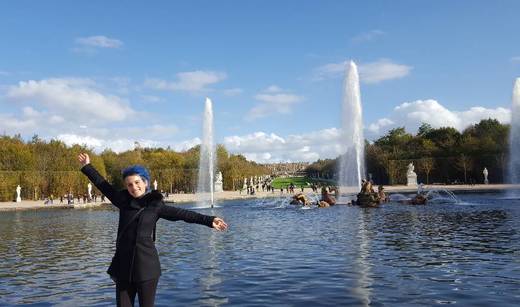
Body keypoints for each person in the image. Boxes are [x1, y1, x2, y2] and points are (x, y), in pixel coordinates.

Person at [77, 153, 228, 307]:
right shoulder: (122, 201)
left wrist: (210, 220)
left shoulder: (155, 206)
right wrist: (87, 166)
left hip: (146, 268)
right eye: (129, 184)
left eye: (137, 182)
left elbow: (183, 214)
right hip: (123, 267)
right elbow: (103, 185)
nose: (134, 187)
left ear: (145, 182)